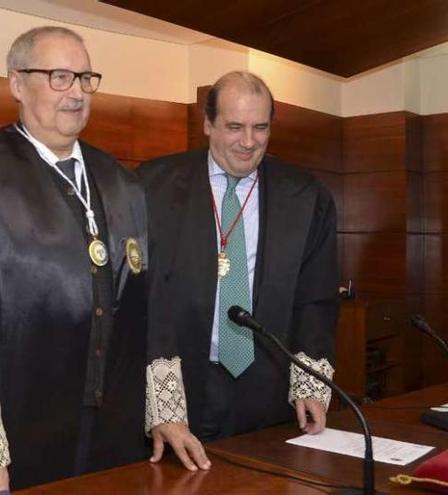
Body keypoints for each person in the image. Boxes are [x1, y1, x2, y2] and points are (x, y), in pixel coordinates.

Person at [0, 26, 209, 495]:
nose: (76, 92)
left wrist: (166, 411)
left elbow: (149, 309)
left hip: (113, 435)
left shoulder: (121, 183)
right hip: (13, 436)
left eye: (84, 77)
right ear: (15, 83)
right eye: (58, 77)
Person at [137, 71, 339, 442]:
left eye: (260, 127)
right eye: (234, 126)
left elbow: (316, 300)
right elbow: (142, 302)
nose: (248, 142)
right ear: (207, 124)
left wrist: (310, 384)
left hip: (270, 390)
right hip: (181, 386)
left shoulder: (307, 196)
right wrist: (163, 402)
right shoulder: (152, 186)